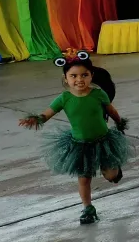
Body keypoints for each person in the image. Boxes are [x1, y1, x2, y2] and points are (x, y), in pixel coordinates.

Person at [18, 52, 128, 225]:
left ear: (91, 75)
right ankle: (87, 208)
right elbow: (47, 114)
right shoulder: (64, 98)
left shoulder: (99, 94)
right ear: (66, 78)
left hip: (104, 141)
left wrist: (119, 123)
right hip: (80, 146)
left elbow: (111, 111)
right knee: (84, 178)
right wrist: (37, 119)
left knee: (112, 175)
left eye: (84, 75)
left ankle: (113, 169)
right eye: (73, 76)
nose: (79, 79)